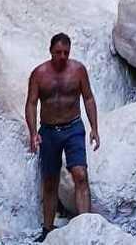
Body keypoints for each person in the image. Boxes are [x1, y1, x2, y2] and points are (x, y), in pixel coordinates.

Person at [25, 32, 100, 240]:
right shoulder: (39, 74)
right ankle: (47, 230)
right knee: (50, 180)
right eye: (58, 52)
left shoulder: (78, 71)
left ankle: (85, 229)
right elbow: (31, 103)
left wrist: (94, 128)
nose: (62, 56)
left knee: (80, 175)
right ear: (50, 51)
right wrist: (33, 133)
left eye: (66, 52)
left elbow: (88, 98)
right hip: (49, 131)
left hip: (73, 128)